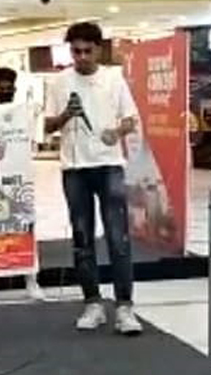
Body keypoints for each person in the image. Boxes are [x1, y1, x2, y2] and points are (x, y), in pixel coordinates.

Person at [44, 21, 142, 335]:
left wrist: (117, 132)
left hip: (109, 165)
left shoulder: (114, 78)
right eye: (76, 51)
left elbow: (131, 119)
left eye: (88, 51)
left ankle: (124, 307)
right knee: (82, 238)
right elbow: (47, 126)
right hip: (75, 169)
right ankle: (93, 303)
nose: (82, 57)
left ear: (99, 49)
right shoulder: (59, 82)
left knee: (118, 237)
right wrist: (65, 115)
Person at [0, 67, 44, 302]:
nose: (5, 91)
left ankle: (31, 280)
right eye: (1, 88)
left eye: (9, 88)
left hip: (21, 179)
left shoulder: (25, 113)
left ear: (14, 88)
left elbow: (36, 134)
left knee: (26, 228)